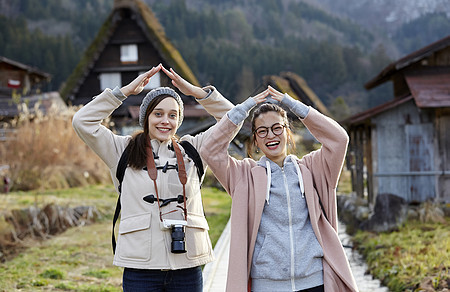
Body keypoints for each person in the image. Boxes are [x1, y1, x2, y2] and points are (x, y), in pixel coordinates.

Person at [72, 64, 234, 292]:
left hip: (187, 265)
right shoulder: (122, 149)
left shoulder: (194, 149)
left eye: (172, 115)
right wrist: (123, 92)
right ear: (146, 117)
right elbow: (82, 122)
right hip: (141, 267)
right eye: (158, 114)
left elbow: (234, 119)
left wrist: (198, 94)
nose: (165, 121)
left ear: (179, 120)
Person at [199, 86, 359, 291]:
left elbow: (339, 139)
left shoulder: (314, 168)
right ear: (255, 139)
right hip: (267, 285)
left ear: (287, 131)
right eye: (262, 131)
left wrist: (295, 106)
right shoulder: (243, 176)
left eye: (277, 128)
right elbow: (209, 150)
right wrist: (243, 109)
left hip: (314, 281)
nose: (270, 135)